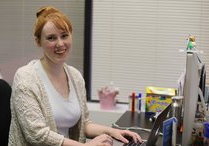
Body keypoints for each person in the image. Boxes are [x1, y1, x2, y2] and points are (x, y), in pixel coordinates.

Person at [8, 6, 142, 146]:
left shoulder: (75, 76)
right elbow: (37, 135)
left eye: (64, 35)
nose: (60, 44)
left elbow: (83, 124)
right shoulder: (26, 78)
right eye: (51, 38)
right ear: (38, 41)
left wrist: (113, 132)